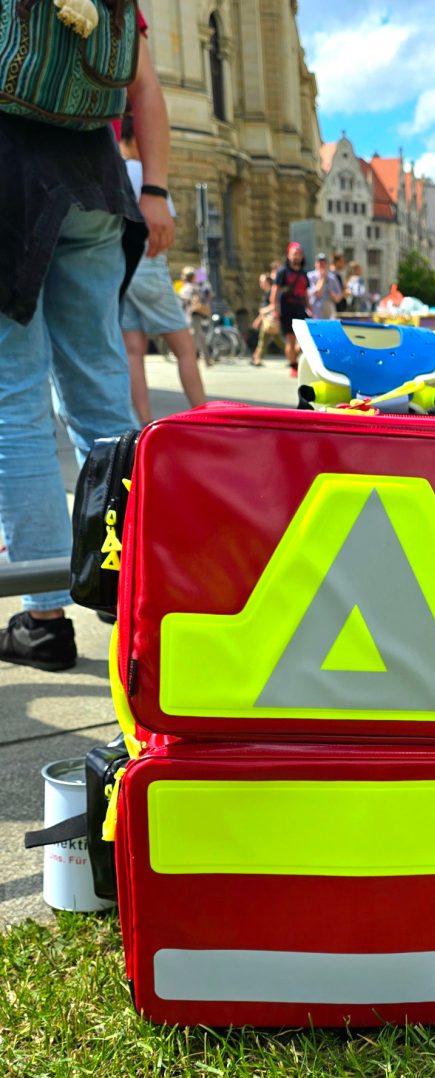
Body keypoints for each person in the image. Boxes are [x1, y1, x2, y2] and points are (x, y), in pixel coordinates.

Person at [0, 16, 173, 672]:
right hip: (97, 183)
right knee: (101, 388)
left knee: (15, 403)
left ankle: (43, 618)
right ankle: (124, 583)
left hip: (8, 174)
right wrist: (152, 188)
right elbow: (146, 88)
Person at [118, 114, 205, 423]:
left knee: (133, 350)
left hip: (122, 272)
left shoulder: (115, 172)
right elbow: (165, 229)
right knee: (184, 348)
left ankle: (143, 424)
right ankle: (201, 413)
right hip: (150, 268)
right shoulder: (145, 173)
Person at [271, 243, 310, 377]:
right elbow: (275, 292)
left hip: (300, 309)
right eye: (294, 253)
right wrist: (275, 310)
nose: (297, 256)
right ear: (288, 255)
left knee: (307, 339)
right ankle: (294, 366)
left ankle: (294, 360)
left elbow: (305, 293)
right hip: (287, 309)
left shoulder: (304, 274)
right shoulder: (283, 272)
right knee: (291, 339)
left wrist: (309, 307)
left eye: (299, 253)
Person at [178, 266, 213, 368]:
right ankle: (207, 359)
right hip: (198, 314)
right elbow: (207, 295)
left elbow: (182, 300)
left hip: (191, 315)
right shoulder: (197, 287)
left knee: (193, 338)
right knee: (200, 337)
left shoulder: (187, 288)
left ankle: (192, 360)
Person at [250, 272, 283, 366]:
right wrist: (259, 319)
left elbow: (274, 305)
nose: (260, 283)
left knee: (272, 340)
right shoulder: (267, 292)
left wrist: (262, 313)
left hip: (271, 320)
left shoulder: (271, 292)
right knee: (266, 340)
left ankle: (257, 358)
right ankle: (256, 358)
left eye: (262, 281)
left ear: (267, 282)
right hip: (267, 320)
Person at [307, 252, 344, 321]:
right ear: (315, 264)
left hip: (329, 311)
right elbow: (317, 293)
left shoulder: (332, 277)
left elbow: (339, 296)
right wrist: (322, 278)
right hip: (315, 311)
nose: (322, 265)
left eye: (324, 263)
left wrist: (335, 296)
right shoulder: (310, 276)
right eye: (320, 262)